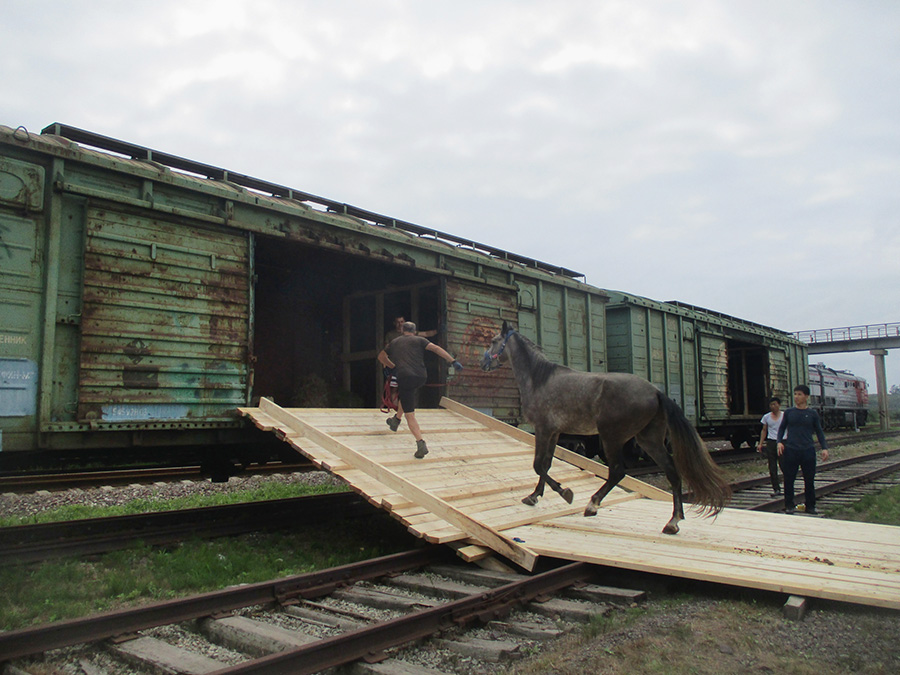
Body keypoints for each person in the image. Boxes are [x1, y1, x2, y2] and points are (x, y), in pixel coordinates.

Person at [378, 321, 463, 459]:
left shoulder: (394, 342)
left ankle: (420, 443)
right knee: (406, 395)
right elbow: (436, 349)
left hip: (405, 377)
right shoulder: (420, 340)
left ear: (403, 330)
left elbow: (381, 356)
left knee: (410, 414)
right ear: (414, 330)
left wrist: (391, 367)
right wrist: (452, 361)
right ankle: (396, 420)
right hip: (421, 377)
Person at [777, 385, 829, 515]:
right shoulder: (789, 412)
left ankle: (810, 506)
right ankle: (789, 505)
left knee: (809, 480)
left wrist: (824, 448)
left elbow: (819, 431)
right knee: (789, 479)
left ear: (806, 397)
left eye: (799, 394)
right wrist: (779, 442)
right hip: (791, 450)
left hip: (807, 450)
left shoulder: (812, 414)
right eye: (795, 394)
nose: (796, 397)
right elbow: (782, 428)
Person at [757, 397, 784, 496]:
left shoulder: (784, 416)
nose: (773, 407)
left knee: (784, 465)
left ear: (779, 405)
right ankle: (776, 488)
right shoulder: (766, 417)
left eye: (775, 404)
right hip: (771, 442)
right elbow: (764, 430)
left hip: (782, 442)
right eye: (771, 405)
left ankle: (788, 486)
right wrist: (760, 443)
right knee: (772, 467)